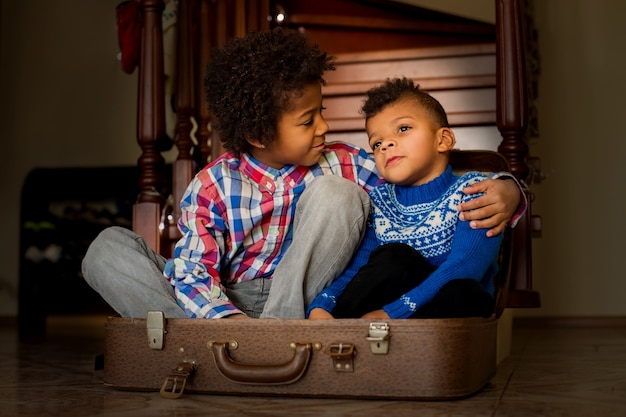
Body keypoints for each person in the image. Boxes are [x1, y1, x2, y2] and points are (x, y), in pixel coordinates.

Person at [82, 28, 523, 320]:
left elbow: (426, 169)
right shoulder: (213, 184)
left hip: (295, 303)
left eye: (322, 112)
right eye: (308, 120)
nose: (325, 127)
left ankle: (274, 338)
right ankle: (199, 344)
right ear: (257, 133)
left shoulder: (345, 163)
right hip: (218, 301)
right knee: (107, 249)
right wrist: (226, 321)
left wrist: (510, 191)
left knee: (338, 194)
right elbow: (195, 270)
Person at [307, 78, 505, 320]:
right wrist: (322, 305)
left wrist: (393, 313)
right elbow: (358, 270)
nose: (386, 145)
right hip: (379, 314)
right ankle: (347, 334)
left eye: (403, 129)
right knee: (394, 257)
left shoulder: (473, 192)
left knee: (466, 291)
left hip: (439, 312)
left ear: (443, 140)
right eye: (376, 143)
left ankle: (405, 342)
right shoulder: (380, 201)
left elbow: (465, 266)